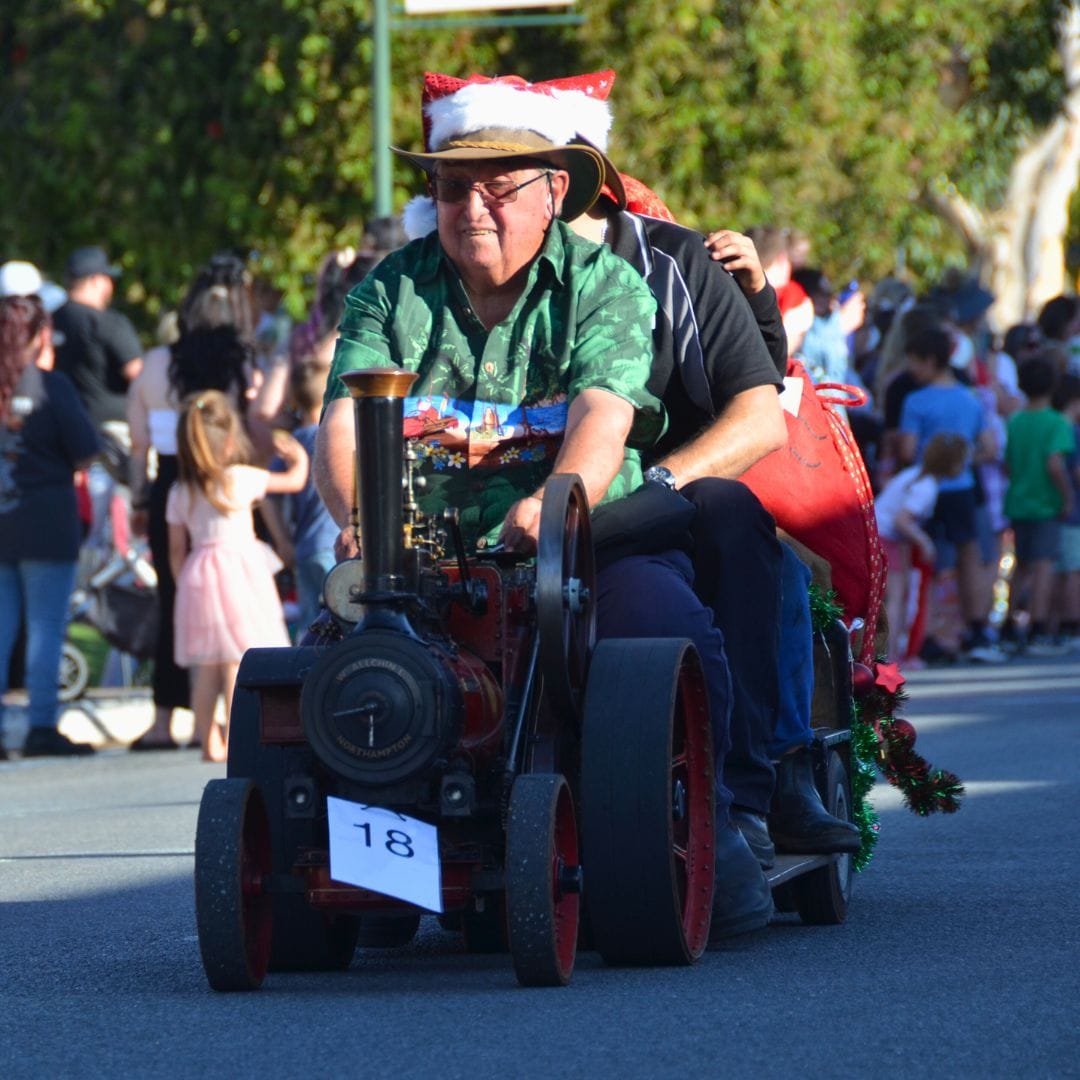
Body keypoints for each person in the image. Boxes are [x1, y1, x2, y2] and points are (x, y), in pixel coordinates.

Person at [315, 71, 765, 940]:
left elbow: (602, 416)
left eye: (497, 189)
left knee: (655, 622)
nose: (471, 209)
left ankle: (712, 825)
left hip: (585, 544)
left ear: (555, 191)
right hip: (422, 561)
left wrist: (554, 503)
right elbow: (343, 420)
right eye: (453, 188)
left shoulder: (608, 286)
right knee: (326, 670)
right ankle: (381, 869)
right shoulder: (388, 291)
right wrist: (361, 519)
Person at [127, 253, 257, 749]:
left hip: (171, 485)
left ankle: (165, 718)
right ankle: (229, 719)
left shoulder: (156, 365)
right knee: (234, 606)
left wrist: (141, 500)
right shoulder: (240, 365)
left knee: (174, 601)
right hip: (226, 489)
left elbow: (138, 442)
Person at [167, 391, 307, 762]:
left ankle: (208, 741)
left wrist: (184, 584)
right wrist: (298, 458)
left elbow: (176, 550)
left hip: (198, 574)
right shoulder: (239, 478)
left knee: (206, 666)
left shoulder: (180, 490)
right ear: (230, 440)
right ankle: (233, 738)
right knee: (236, 659)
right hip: (240, 573)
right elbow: (294, 481)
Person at [0, 295, 100, 758]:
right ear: (40, 335)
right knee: (45, 628)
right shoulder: (49, 385)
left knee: (2, 630)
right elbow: (85, 448)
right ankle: (41, 725)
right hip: (47, 523)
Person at [897, 325, 1003, 663]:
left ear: (930, 360)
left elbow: (907, 450)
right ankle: (976, 628)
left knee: (927, 562)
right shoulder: (969, 399)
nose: (910, 369)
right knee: (969, 555)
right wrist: (960, 461)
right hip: (962, 488)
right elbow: (989, 447)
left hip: (926, 490)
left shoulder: (915, 400)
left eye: (914, 361)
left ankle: (926, 634)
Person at [52, 246, 143, 498]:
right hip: (110, 441)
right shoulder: (108, 323)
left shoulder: (50, 321)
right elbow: (138, 375)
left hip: (61, 437)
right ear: (95, 280)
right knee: (112, 514)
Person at [1002, 356, 1076, 654]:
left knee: (1020, 565)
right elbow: (1055, 464)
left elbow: (1008, 462)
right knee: (1044, 565)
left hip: (1018, 500)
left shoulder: (1016, 421)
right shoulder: (1057, 422)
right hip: (1046, 504)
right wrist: (1067, 497)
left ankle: (1009, 626)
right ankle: (1038, 627)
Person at [875, 433, 969, 662]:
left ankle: (893, 651)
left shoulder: (913, 474)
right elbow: (901, 520)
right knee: (896, 597)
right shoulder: (926, 487)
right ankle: (891, 654)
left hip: (882, 532)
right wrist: (924, 542)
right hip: (885, 535)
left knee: (897, 594)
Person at [281, 360, 338, 639]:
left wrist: (282, 539)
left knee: (309, 623)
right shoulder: (331, 437)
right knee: (339, 616)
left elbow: (269, 498)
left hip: (304, 546)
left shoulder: (292, 442)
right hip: (333, 544)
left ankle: (303, 666)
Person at [1050, 374, 1080, 646]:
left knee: (1059, 568)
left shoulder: (1054, 425)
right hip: (1071, 510)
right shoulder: (1071, 429)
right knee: (1072, 568)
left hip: (1053, 508)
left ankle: (1055, 621)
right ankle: (1072, 624)